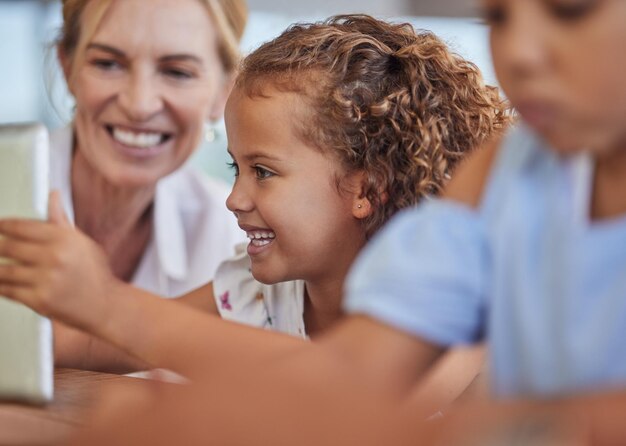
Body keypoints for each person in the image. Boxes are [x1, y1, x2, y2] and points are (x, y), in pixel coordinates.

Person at [29, 0, 626, 444]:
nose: (518, 50)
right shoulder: (504, 175)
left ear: (366, 188)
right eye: (498, 16)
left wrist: (111, 305)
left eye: (570, 10)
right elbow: (350, 382)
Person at [0, 13, 508, 403]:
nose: (234, 199)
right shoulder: (255, 292)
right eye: (234, 169)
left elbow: (348, 394)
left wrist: (106, 300)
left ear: (366, 189)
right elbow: (90, 345)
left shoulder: (453, 298)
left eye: (263, 172)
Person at [46, 0, 248, 371]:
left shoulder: (232, 230)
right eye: (107, 64)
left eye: (177, 72)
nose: (139, 104)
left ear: (224, 91)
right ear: (67, 68)